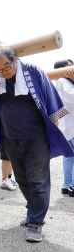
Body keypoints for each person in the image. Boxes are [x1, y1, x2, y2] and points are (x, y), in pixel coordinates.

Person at [0, 46, 72, 242]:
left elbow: (51, 100)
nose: (3, 72)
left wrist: (52, 132)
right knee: (22, 179)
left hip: (36, 138)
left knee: (38, 180)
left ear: (14, 59)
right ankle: (34, 211)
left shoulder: (32, 71)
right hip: (10, 138)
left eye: (6, 66)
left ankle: (35, 222)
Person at [54, 59, 74, 197]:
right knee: (69, 156)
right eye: (69, 66)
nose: (71, 68)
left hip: (67, 126)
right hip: (70, 126)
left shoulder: (60, 82)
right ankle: (71, 185)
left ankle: (67, 185)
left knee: (69, 156)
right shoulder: (63, 81)